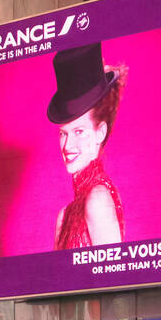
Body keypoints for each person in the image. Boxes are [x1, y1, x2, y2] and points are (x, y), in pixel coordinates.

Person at [48, 42, 126, 250]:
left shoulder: (98, 199)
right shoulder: (64, 217)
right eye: (63, 133)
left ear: (100, 133)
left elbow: (114, 279)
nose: (67, 145)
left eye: (79, 131)